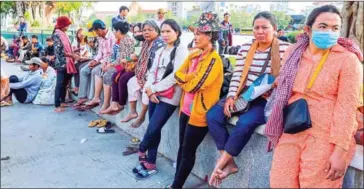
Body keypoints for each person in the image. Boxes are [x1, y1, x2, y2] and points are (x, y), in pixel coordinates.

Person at [265, 5, 363, 188]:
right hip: (292, 129)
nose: (329, 32)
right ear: (308, 30)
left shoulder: (348, 60)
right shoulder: (294, 53)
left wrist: (339, 152)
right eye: (323, 26)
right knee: (280, 182)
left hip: (327, 137)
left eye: (335, 28)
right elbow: (284, 88)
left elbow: (347, 108)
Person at [206, 11, 290, 186]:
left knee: (245, 122)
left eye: (265, 27)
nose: (260, 31)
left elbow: (289, 77)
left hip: (266, 99)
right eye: (256, 28)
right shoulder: (246, 48)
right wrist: (231, 97)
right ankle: (229, 162)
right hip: (243, 94)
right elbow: (237, 75)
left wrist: (277, 83)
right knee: (213, 116)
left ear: (274, 29)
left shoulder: (285, 49)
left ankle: (219, 166)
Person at [167, 13, 224, 189]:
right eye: (196, 33)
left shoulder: (214, 60)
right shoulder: (193, 56)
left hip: (199, 113)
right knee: (181, 148)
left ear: (211, 36)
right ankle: (175, 183)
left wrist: (186, 79)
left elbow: (195, 85)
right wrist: (190, 77)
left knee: (187, 151)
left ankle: (176, 186)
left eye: (200, 33)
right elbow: (177, 74)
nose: (196, 36)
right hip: (184, 110)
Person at [132, 19, 189, 179]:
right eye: (163, 31)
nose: (164, 34)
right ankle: (150, 162)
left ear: (177, 32)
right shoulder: (161, 50)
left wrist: (155, 89)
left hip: (169, 96)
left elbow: (175, 76)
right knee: (154, 129)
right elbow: (152, 71)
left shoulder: (181, 50)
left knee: (153, 127)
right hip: (154, 93)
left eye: (168, 31)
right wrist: (150, 90)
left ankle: (142, 148)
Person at [123, 20, 164, 127]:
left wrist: (145, 80)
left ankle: (141, 116)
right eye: (144, 30)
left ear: (157, 31)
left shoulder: (159, 44)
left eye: (150, 30)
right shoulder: (145, 43)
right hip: (143, 74)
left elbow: (155, 68)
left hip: (154, 77)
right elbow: (141, 61)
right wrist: (140, 77)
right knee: (131, 82)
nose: (146, 32)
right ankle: (133, 111)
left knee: (146, 89)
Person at [88, 21, 134, 114]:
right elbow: (112, 55)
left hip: (123, 65)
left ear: (118, 31)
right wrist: (105, 62)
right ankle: (102, 101)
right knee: (101, 70)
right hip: (116, 63)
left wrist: (110, 65)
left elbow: (122, 59)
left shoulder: (126, 40)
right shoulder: (118, 40)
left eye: (114, 30)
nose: (113, 32)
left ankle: (107, 103)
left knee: (108, 74)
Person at [77, 20, 115, 109]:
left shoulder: (112, 37)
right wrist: (95, 60)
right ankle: (82, 97)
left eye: (95, 31)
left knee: (95, 71)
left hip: (107, 62)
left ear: (98, 30)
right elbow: (100, 53)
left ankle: (94, 98)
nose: (95, 33)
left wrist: (99, 62)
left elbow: (112, 55)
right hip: (101, 60)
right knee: (84, 70)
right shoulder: (100, 37)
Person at [52, 16, 79, 112]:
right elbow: (59, 51)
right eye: (67, 25)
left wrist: (74, 51)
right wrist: (72, 55)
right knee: (59, 84)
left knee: (64, 84)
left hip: (67, 63)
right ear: (62, 25)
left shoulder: (63, 34)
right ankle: (57, 105)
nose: (68, 27)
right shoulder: (57, 35)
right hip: (61, 63)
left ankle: (63, 101)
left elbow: (66, 48)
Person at [72, 28, 93, 95]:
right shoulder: (75, 42)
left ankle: (80, 88)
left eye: (83, 33)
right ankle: (77, 87)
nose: (81, 35)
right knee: (77, 67)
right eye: (80, 33)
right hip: (78, 60)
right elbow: (73, 52)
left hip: (87, 60)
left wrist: (85, 57)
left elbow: (90, 54)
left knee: (82, 68)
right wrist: (79, 57)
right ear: (77, 34)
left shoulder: (88, 43)